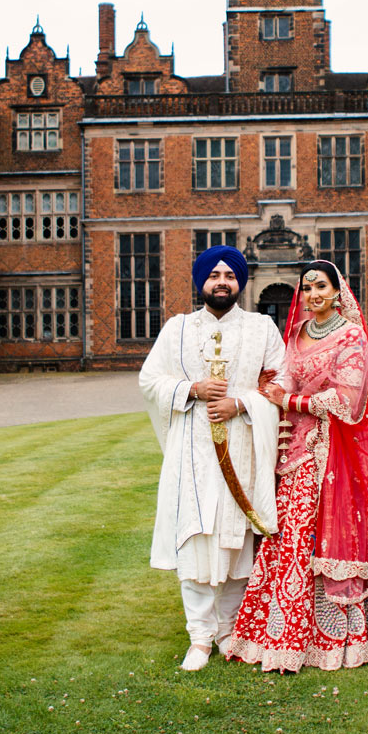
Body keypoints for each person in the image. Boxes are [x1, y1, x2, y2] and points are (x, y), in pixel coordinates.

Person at [222, 259, 368, 672]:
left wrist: (289, 402)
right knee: (290, 536)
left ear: (337, 291)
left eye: (321, 286)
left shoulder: (352, 336)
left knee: (341, 532)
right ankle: (286, 634)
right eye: (308, 287)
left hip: (336, 452)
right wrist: (274, 400)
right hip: (296, 450)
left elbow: (346, 402)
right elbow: (287, 380)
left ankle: (357, 635)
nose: (314, 294)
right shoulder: (295, 333)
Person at [138, 245, 285, 671]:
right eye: (214, 275)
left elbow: (282, 382)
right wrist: (192, 391)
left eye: (230, 275)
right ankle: (200, 638)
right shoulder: (177, 329)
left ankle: (230, 632)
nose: (222, 282)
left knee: (237, 541)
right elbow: (150, 380)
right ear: (201, 281)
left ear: (240, 282)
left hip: (243, 449)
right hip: (192, 454)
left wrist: (240, 405)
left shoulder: (261, 328)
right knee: (196, 537)